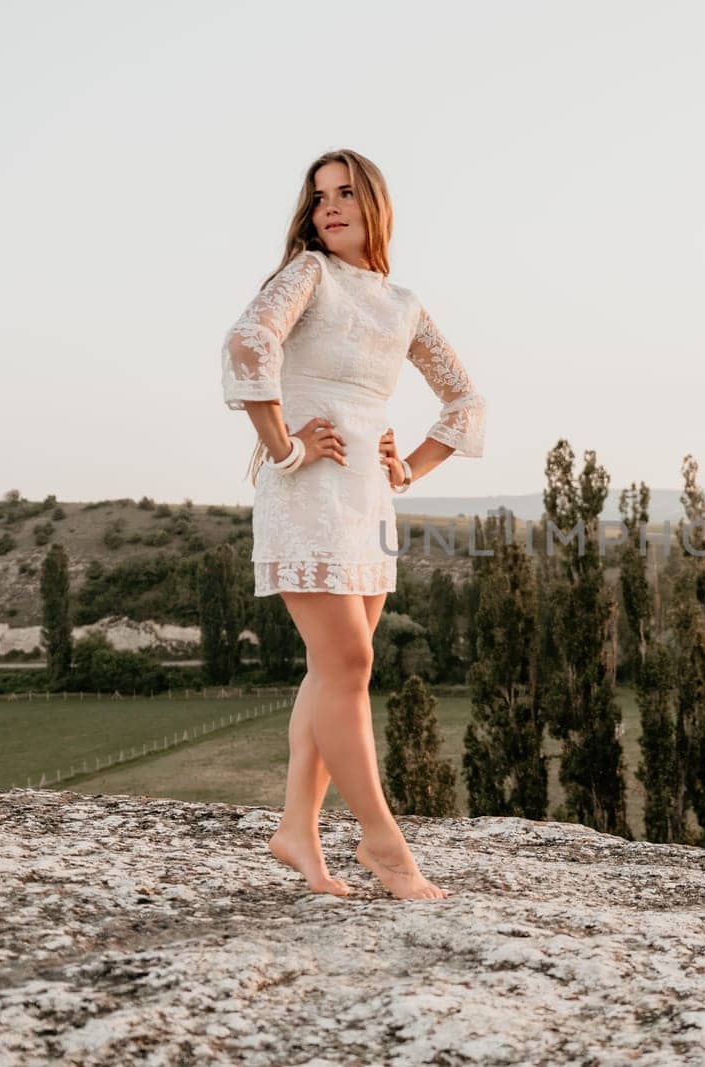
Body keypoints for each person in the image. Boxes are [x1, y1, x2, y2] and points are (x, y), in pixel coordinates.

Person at [220, 149, 486, 900]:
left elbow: (466, 401)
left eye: (345, 193)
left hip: (368, 501)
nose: (329, 207)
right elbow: (249, 341)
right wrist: (285, 445)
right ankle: (383, 843)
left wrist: (411, 467)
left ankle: (297, 830)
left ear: (375, 203)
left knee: (332, 671)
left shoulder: (403, 304)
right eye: (317, 197)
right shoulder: (307, 273)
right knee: (351, 668)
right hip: (306, 495)